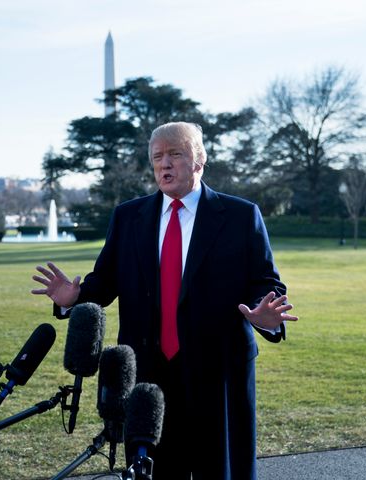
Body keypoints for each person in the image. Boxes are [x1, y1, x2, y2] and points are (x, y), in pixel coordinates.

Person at [32, 122, 298, 479]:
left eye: (175, 154)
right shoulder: (128, 217)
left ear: (199, 161)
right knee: (153, 472)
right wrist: (75, 297)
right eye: (157, 157)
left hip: (218, 375)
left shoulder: (239, 215)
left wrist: (264, 315)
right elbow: (105, 282)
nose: (164, 164)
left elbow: (265, 282)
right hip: (148, 379)